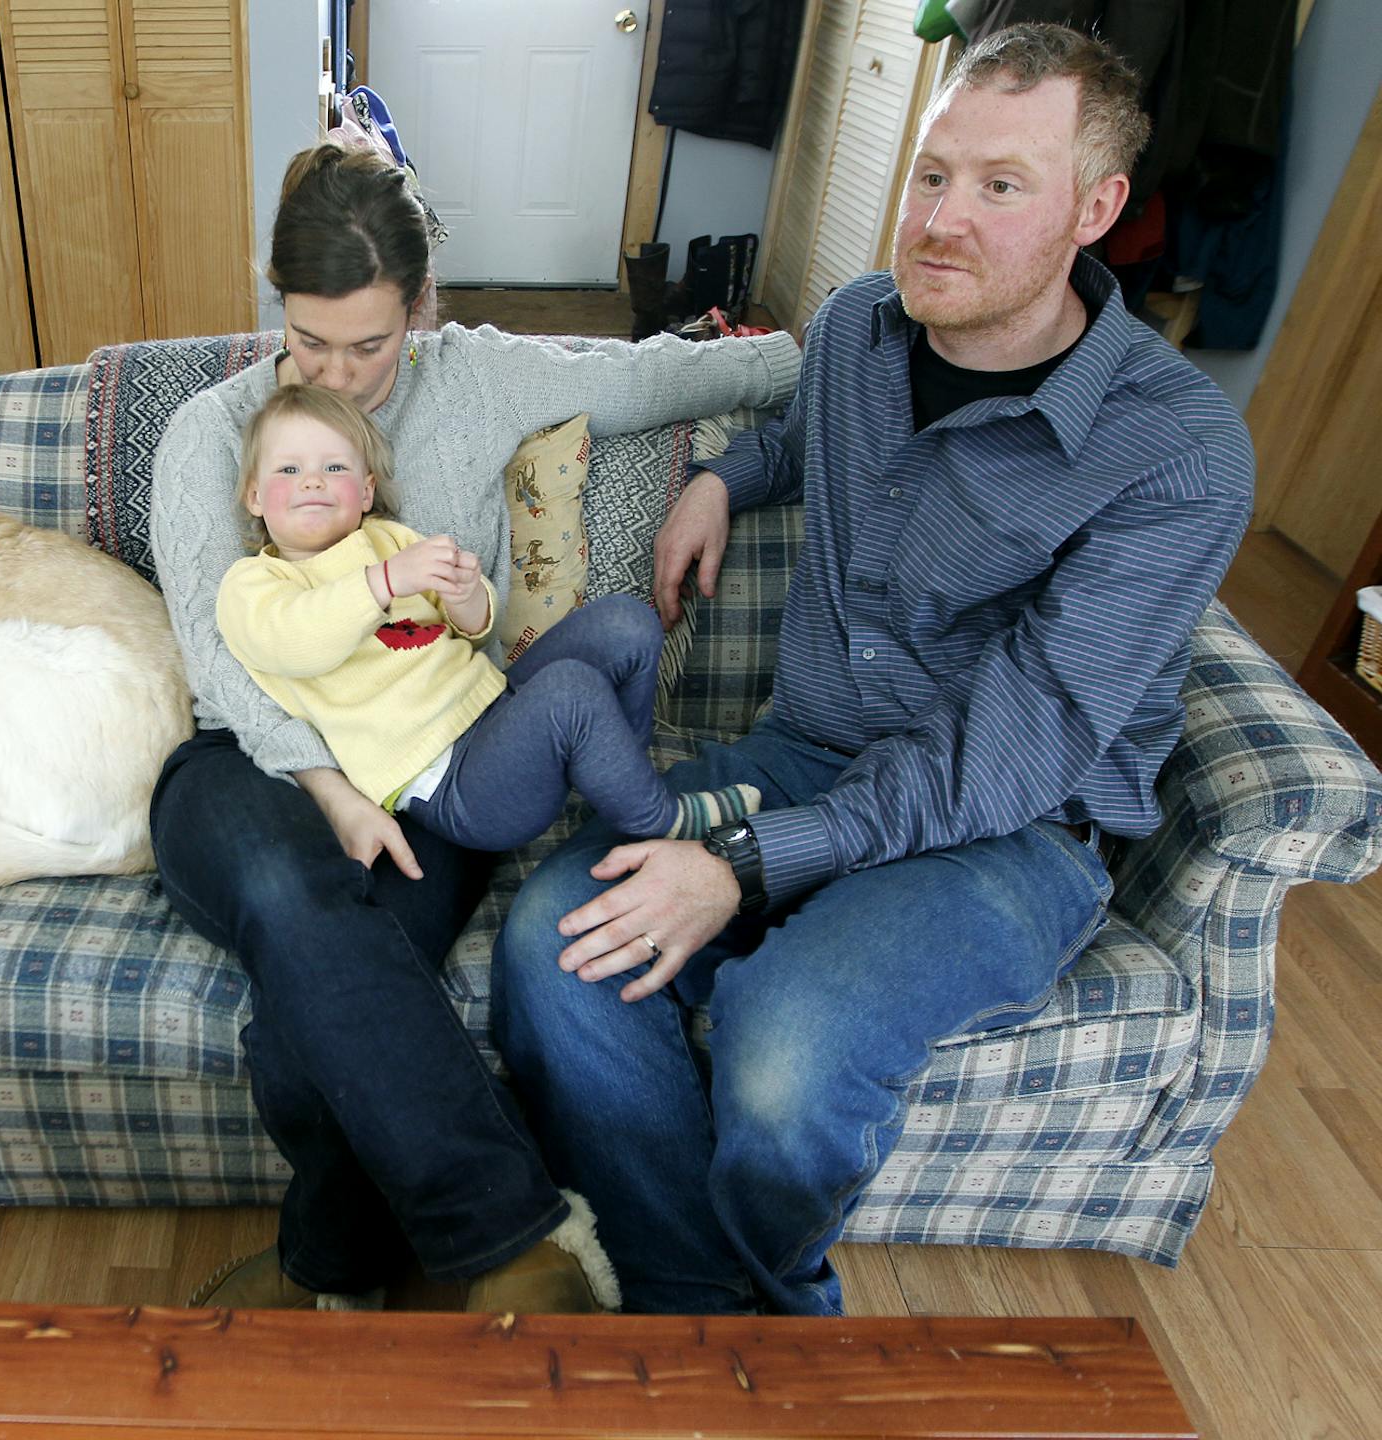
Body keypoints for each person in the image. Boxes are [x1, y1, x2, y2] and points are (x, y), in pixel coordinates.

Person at [494, 22, 1255, 1318]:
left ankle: (751, 1312)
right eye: (932, 174)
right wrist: (725, 483)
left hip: (1010, 832)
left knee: (786, 1052)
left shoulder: (1175, 450)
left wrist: (735, 867)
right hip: (801, 754)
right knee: (555, 942)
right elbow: (801, 431)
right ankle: (703, 1317)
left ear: (1097, 208)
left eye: (1001, 186)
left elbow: (1002, 757)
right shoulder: (857, 324)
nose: (943, 220)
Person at [150, 142, 801, 1313]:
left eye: (371, 343)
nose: (339, 377)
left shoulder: (484, 379)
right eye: (308, 341)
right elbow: (216, 655)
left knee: (319, 1009)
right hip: (252, 764)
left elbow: (674, 380)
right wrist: (330, 791)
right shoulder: (216, 430)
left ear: (423, 307)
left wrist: (809, 374)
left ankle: (328, 1277)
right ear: (276, 310)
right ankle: (516, 1239)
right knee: (302, 899)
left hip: (432, 767)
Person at [218, 383, 760, 853]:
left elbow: (472, 631)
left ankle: (621, 781)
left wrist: (464, 596)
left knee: (625, 621)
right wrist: (387, 581)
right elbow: (295, 642)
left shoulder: (390, 542)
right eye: (289, 469)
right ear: (255, 496)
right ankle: (657, 820)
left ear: (364, 492)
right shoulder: (256, 585)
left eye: (333, 467)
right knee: (570, 689)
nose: (312, 480)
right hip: (453, 784)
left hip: (494, 708)